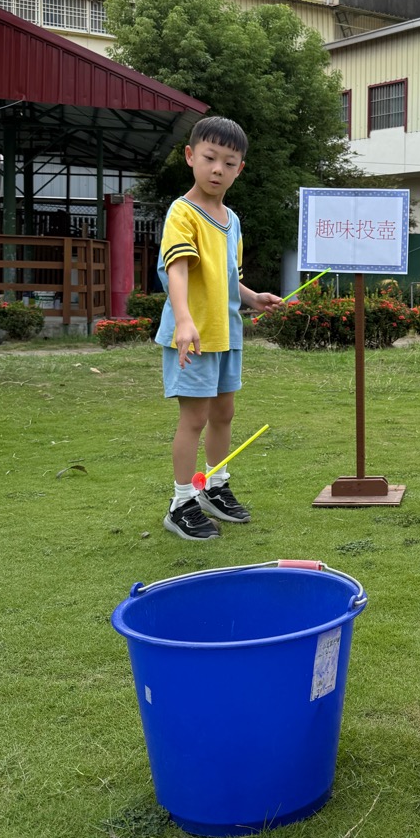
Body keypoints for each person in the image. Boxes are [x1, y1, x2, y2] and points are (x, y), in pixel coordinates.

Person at [154, 115, 283, 541]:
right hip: (193, 336)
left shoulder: (232, 220)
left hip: (227, 333)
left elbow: (227, 278)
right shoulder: (182, 212)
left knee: (224, 413)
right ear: (190, 156)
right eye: (210, 158)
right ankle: (181, 502)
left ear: (239, 169)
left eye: (229, 163)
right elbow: (178, 269)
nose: (217, 169)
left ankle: (214, 486)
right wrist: (184, 321)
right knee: (194, 418)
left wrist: (252, 297)